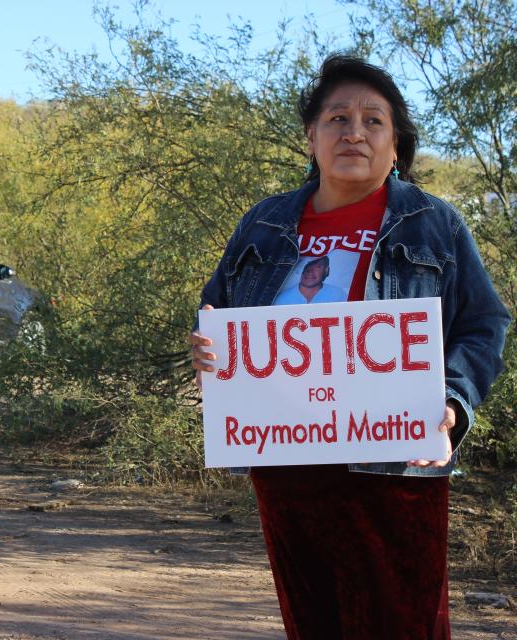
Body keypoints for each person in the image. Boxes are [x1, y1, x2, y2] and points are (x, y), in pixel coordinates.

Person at [189, 55, 510, 638]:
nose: (353, 132)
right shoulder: (264, 224)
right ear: (311, 137)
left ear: (395, 145)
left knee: (402, 623)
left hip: (396, 462)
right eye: (337, 118)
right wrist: (208, 347)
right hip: (286, 459)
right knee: (312, 620)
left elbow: (484, 324)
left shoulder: (435, 225)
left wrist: (454, 402)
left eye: (373, 120)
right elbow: (217, 308)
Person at [273, 255, 347, 304]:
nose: (310, 271)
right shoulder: (282, 299)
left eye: (318, 266)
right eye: (308, 265)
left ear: (326, 270)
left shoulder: (338, 294)